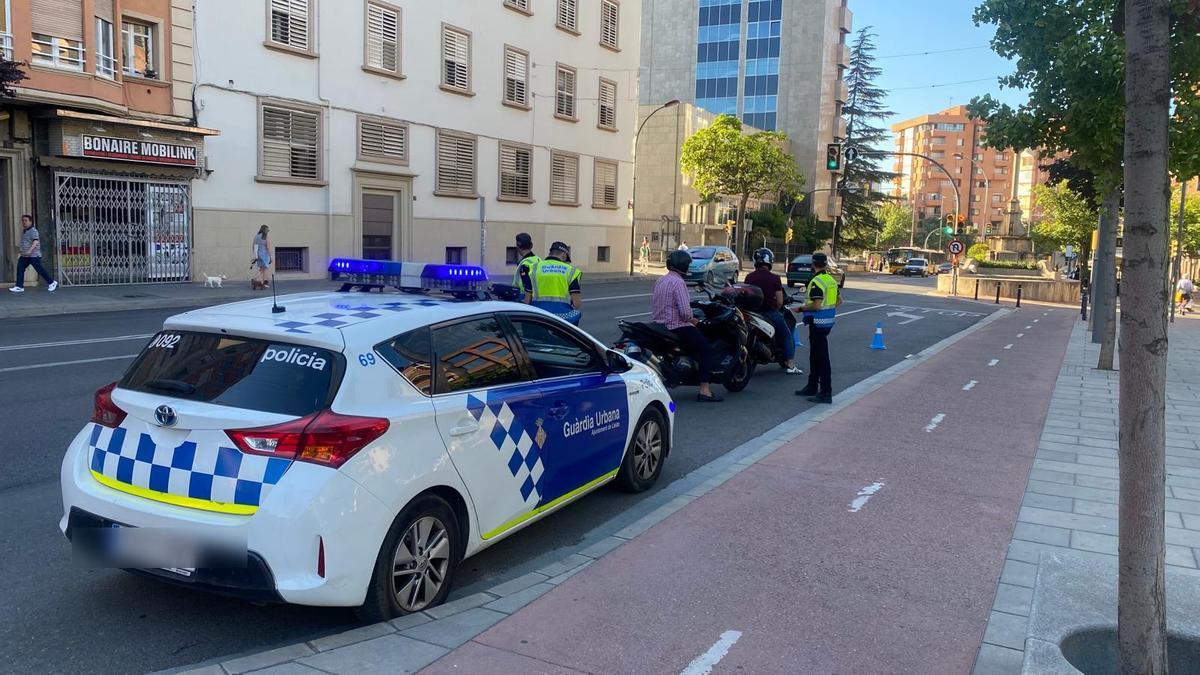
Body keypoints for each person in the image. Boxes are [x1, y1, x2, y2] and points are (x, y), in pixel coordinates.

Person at [654, 250, 722, 403]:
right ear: (683, 266)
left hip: (659, 325)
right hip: (677, 326)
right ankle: (705, 390)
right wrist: (697, 322)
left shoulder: (661, 280)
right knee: (706, 349)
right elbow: (685, 314)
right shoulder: (678, 283)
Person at [744, 248, 800, 374]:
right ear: (770, 261)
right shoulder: (774, 278)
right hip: (769, 312)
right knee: (787, 335)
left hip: (752, 313)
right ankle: (790, 364)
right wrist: (776, 307)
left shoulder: (749, 277)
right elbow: (780, 301)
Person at [795, 252, 841, 404]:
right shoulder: (831, 280)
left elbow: (816, 305)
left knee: (821, 358)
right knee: (815, 356)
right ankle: (812, 386)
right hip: (827, 323)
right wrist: (828, 309)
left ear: (813, 264)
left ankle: (825, 392)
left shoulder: (816, 281)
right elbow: (839, 301)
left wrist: (801, 309)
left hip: (817, 323)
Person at [523, 241, 582, 325]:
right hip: (562, 318)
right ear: (564, 255)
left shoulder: (534, 268)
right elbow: (577, 304)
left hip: (538, 316)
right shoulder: (571, 271)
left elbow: (527, 300)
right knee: (576, 315)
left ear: (550, 253)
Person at [9, 214, 57, 293]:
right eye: (23, 221)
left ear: (30, 222)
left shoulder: (33, 231)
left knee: (39, 269)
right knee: (20, 268)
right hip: (25, 256)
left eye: (26, 221)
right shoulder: (25, 231)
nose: (24, 222)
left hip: (33, 255)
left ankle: (52, 282)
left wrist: (30, 251)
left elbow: (35, 241)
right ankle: (19, 286)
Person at [513, 233, 539, 299]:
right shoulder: (538, 260)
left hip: (523, 298)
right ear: (531, 245)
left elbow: (527, 287)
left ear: (517, 246)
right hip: (536, 298)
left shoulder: (525, 264)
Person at [252, 225, 272, 290]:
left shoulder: (256, 236)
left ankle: (259, 281)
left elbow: (253, 247)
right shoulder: (266, 237)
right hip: (265, 255)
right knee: (265, 270)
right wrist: (271, 257)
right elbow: (268, 248)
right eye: (268, 230)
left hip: (258, 255)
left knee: (261, 270)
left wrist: (255, 255)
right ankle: (263, 284)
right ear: (265, 230)